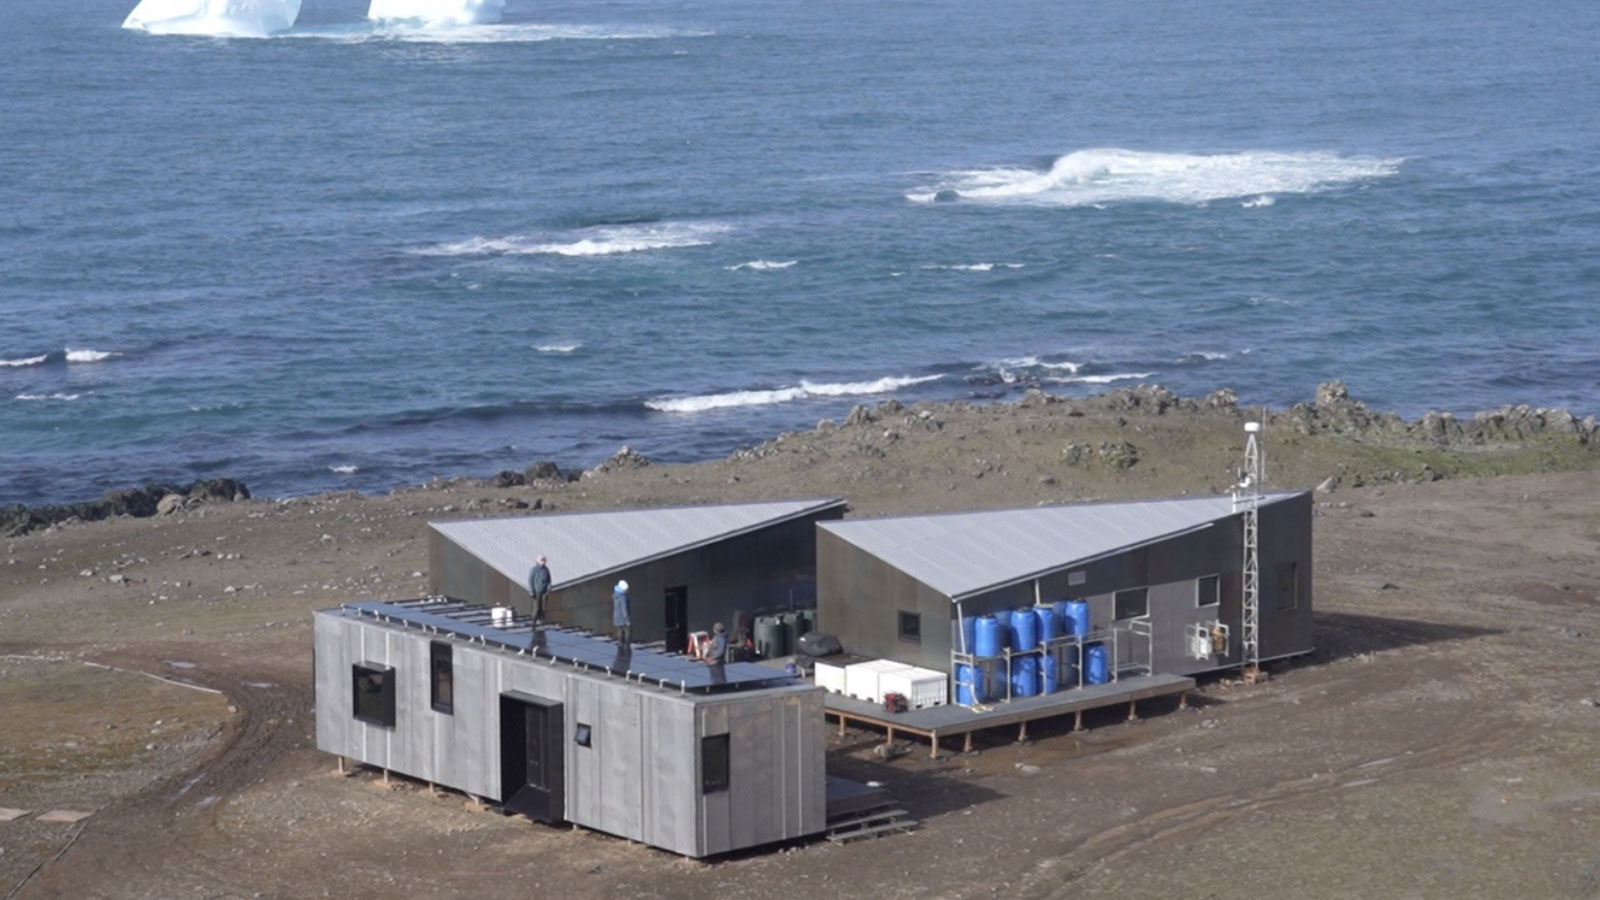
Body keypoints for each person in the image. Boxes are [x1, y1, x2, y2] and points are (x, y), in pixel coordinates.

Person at [527, 554, 551, 626]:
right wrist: (531, 591)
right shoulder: (534, 569)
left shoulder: (546, 569)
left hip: (544, 591)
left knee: (543, 607)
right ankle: (534, 620)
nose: (543, 562)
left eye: (544, 560)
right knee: (537, 607)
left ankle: (542, 620)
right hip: (537, 591)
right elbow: (530, 580)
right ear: (538, 561)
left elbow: (549, 580)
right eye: (541, 560)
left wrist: (549, 588)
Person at [612, 580, 631, 645]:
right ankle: (627, 644)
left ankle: (620, 643)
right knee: (627, 630)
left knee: (619, 630)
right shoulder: (623, 597)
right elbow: (624, 610)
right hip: (622, 617)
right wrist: (627, 620)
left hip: (616, 616)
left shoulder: (615, 595)